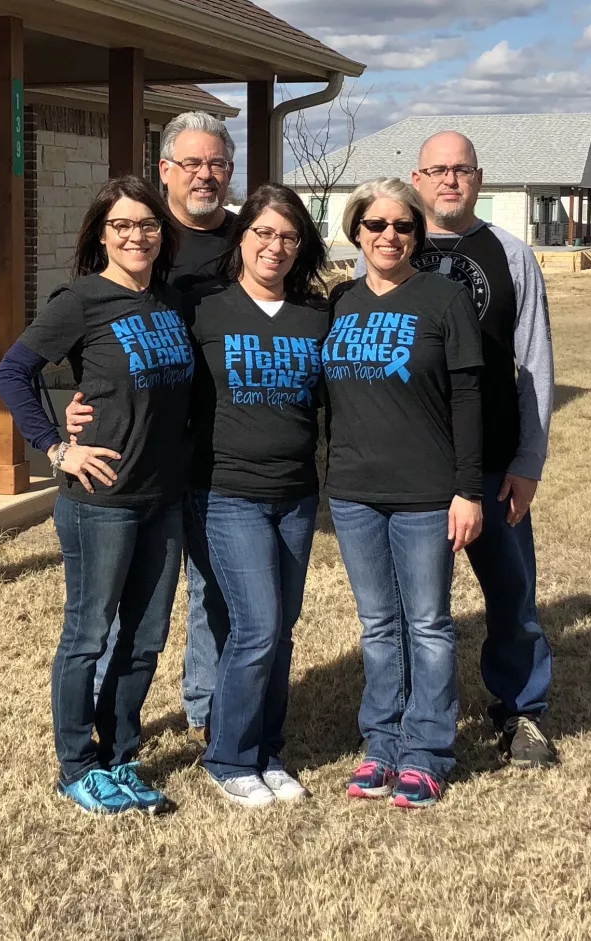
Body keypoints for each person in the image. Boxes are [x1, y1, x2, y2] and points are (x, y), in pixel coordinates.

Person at [0, 176, 194, 814]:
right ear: (102, 235)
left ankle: (122, 755)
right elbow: (11, 372)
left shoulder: (170, 300)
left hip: (164, 497)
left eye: (149, 226)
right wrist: (56, 445)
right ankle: (78, 765)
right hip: (99, 499)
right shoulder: (81, 301)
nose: (138, 237)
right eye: (124, 226)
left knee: (146, 635)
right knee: (88, 634)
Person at [356, 131, 556, 767]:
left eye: (461, 170)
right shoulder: (384, 247)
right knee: (410, 610)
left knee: (511, 593)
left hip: (492, 462)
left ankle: (523, 712)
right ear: (415, 178)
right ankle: (409, 718)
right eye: (436, 170)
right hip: (408, 468)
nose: (449, 181)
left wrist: (528, 461)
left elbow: (534, 362)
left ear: (479, 178)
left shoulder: (510, 253)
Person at [67, 112, 236, 748]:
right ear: (164, 169)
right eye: (191, 162)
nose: (205, 174)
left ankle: (207, 706)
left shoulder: (247, 240)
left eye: (216, 162)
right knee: (126, 612)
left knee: (213, 590)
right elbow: (98, 336)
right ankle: (105, 734)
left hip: (223, 451)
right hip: (144, 460)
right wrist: (80, 413)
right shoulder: (142, 241)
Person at [325, 178, 484, 808]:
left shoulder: (444, 300)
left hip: (426, 491)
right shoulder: (339, 302)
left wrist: (467, 489)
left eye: (403, 226)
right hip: (353, 491)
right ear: (356, 231)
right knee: (377, 626)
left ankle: (426, 752)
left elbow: (470, 399)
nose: (389, 236)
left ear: (418, 234)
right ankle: (381, 745)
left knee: (428, 624)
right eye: (375, 225)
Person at [188, 183, 330, 807]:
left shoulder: (316, 316)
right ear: (241, 239)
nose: (274, 247)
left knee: (285, 627)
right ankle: (227, 756)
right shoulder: (205, 310)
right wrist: (86, 413)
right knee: (257, 626)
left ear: (301, 247)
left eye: (288, 237)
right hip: (229, 493)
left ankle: (268, 751)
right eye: (263, 233)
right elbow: (157, 378)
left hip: (297, 493)